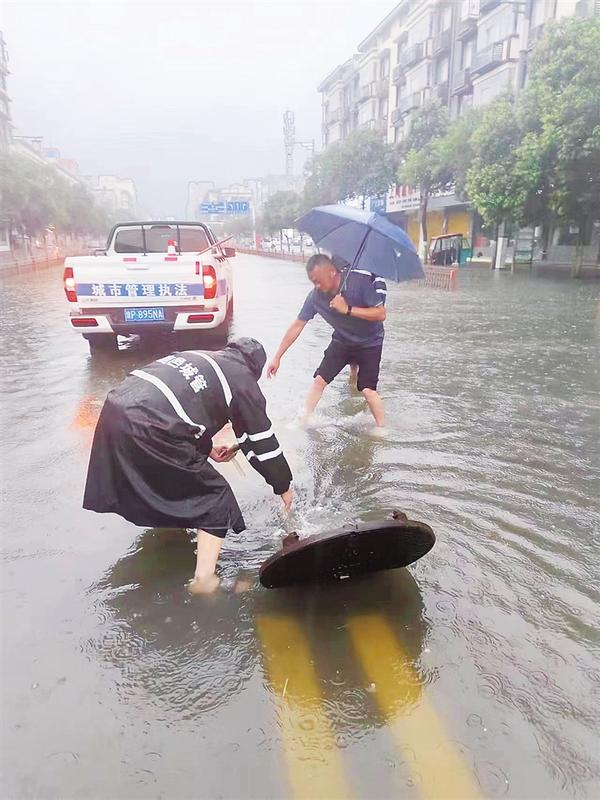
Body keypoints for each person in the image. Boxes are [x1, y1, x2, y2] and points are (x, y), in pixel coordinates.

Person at [83, 337, 293, 594]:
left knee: (171, 476)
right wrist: (283, 485)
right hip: (149, 425)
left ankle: (170, 538)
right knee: (215, 496)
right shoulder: (242, 379)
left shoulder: (200, 356)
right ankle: (204, 581)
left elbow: (181, 408)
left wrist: (208, 450)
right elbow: (261, 440)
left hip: (115, 411)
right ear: (255, 368)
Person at [268, 253, 387, 427]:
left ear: (332, 272)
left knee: (368, 390)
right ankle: (304, 419)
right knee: (319, 381)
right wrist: (277, 357)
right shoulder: (315, 297)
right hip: (342, 340)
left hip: (370, 342)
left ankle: (381, 429)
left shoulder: (358, 282)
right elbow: (298, 325)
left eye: (318, 281)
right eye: (313, 282)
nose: (317, 286)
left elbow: (381, 314)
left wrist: (347, 309)